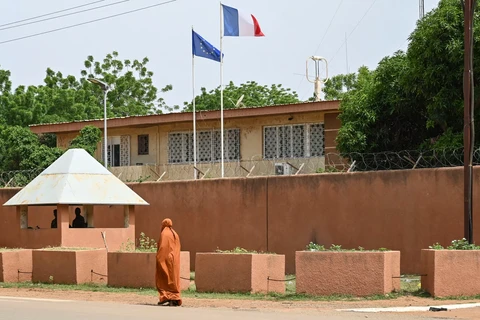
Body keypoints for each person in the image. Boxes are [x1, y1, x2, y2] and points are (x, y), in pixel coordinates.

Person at [155, 218, 182, 307]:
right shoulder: (175, 233)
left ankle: (166, 297)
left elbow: (163, 248)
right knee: (173, 279)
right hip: (175, 261)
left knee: (164, 278)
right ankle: (174, 298)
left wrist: (159, 259)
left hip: (166, 260)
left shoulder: (164, 234)